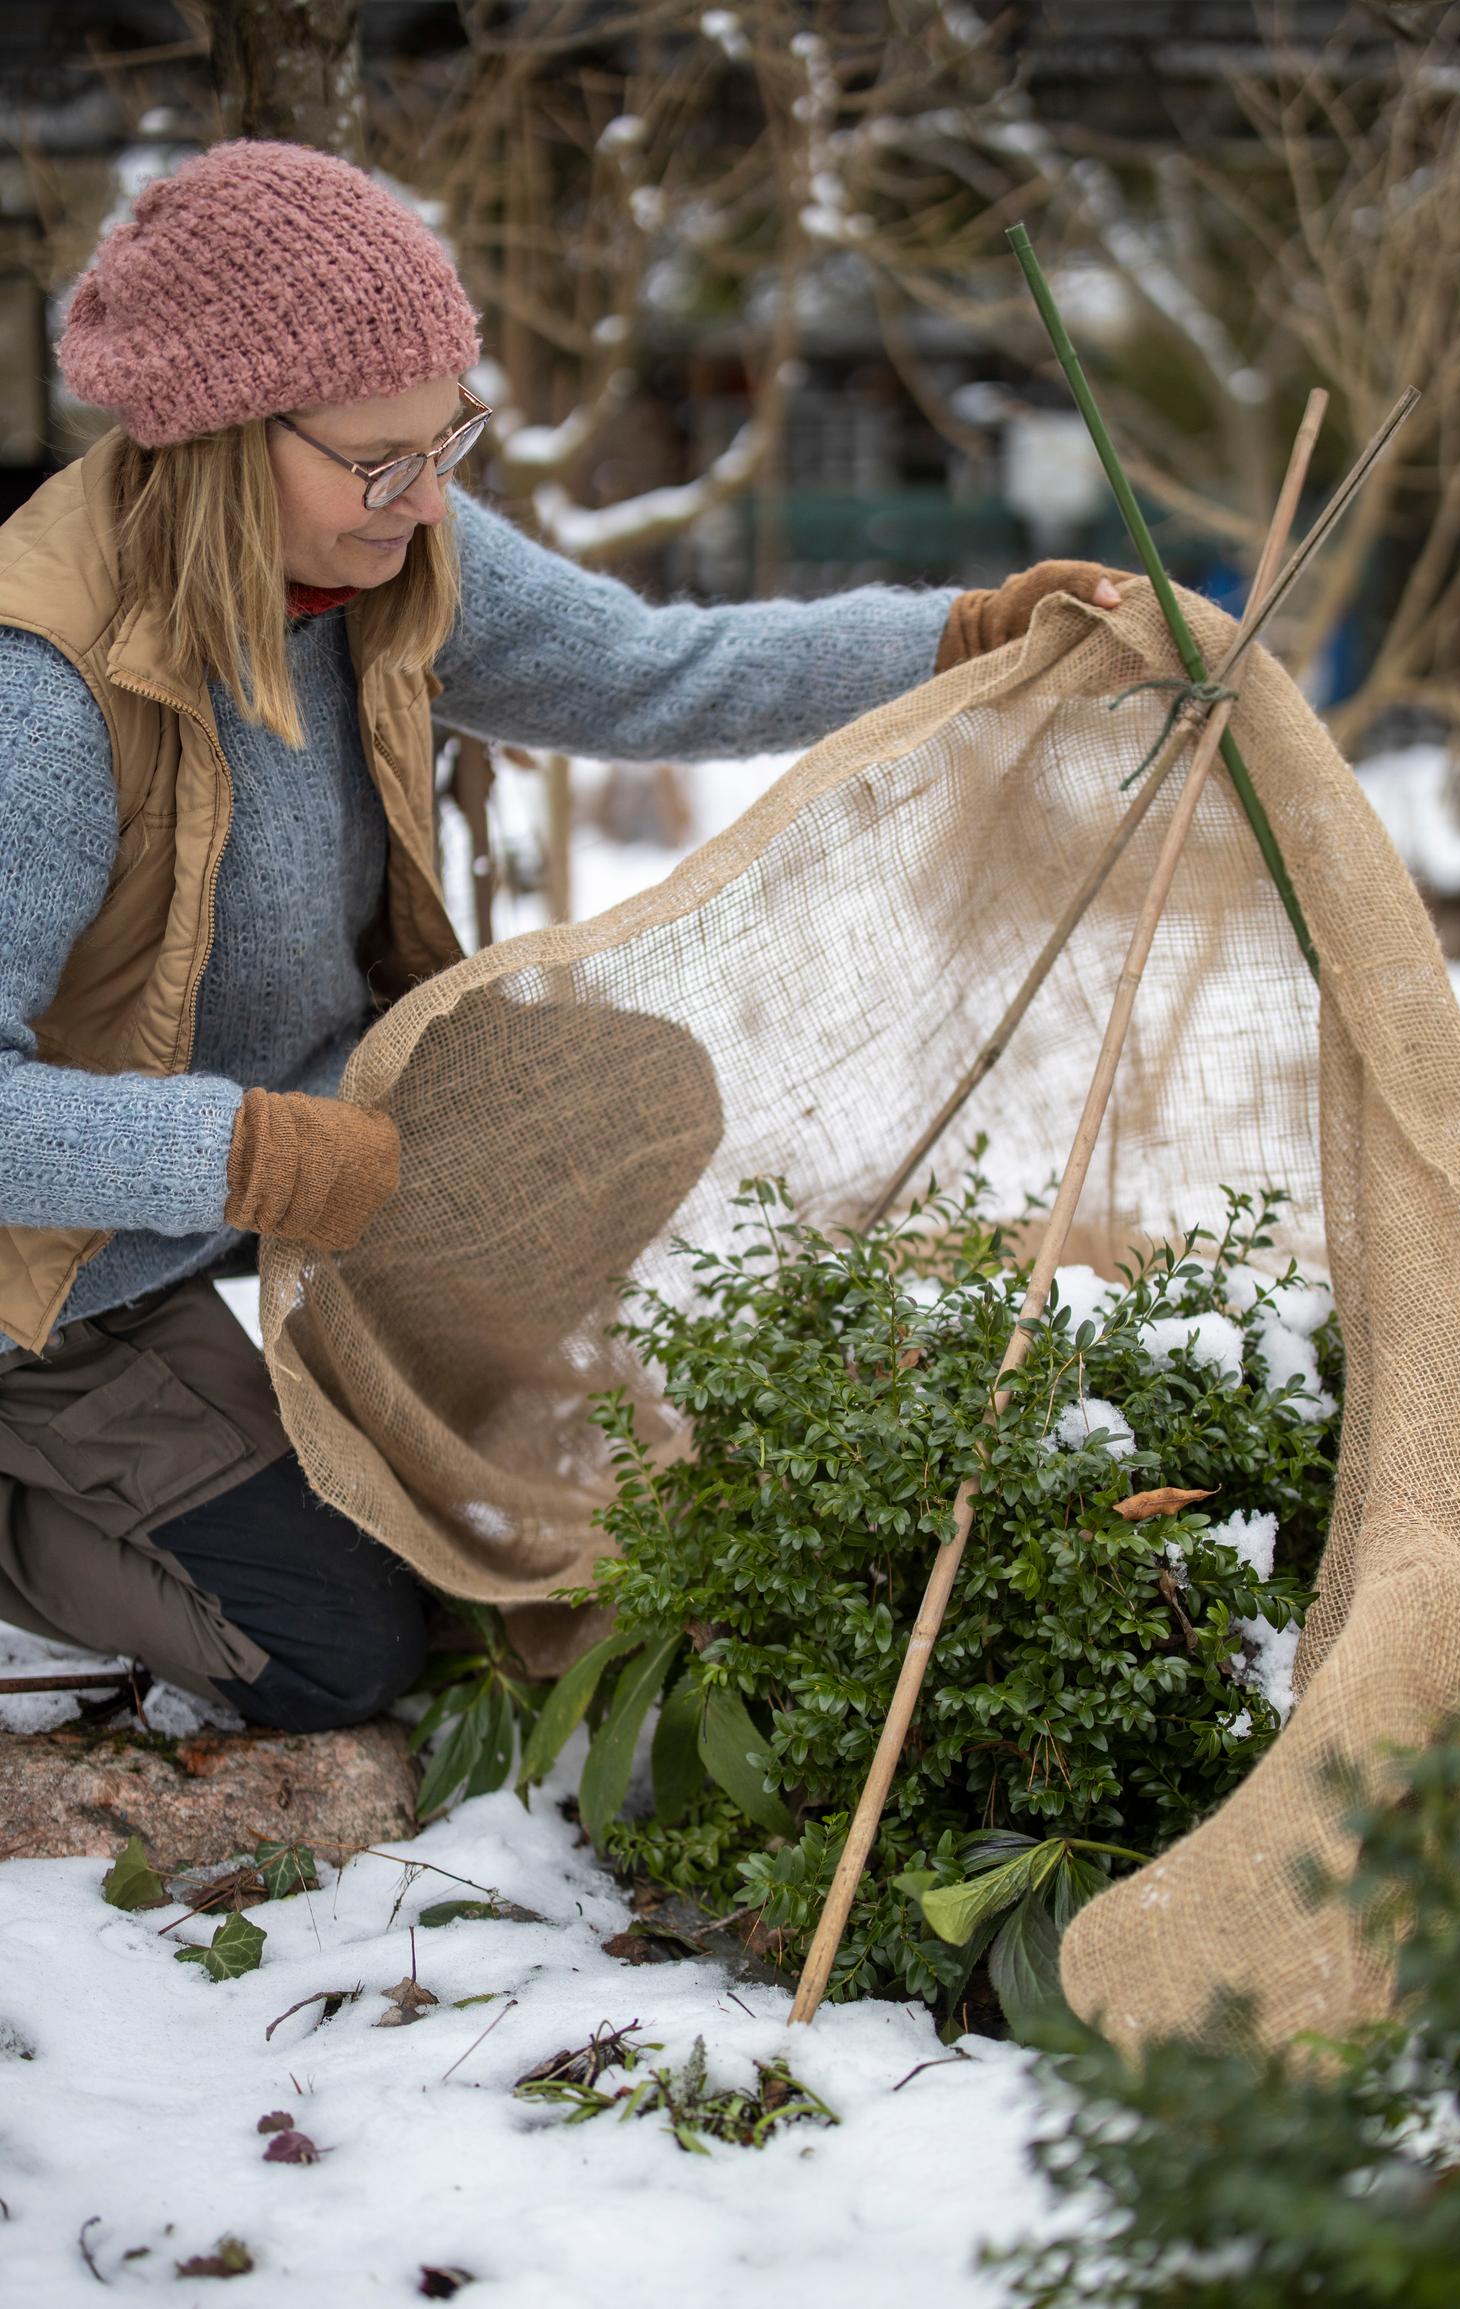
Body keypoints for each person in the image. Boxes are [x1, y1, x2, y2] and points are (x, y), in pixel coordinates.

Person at [0, 140, 1123, 1733]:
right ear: (221, 442)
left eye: (448, 435)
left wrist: (954, 639)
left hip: (295, 1146)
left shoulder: (383, 553)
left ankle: (383, 1426)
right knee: (346, 1648)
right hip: (54, 1275)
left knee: (620, 1092)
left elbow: (652, 669)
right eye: (382, 457)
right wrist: (235, 1155)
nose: (430, 491)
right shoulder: (36, 692)